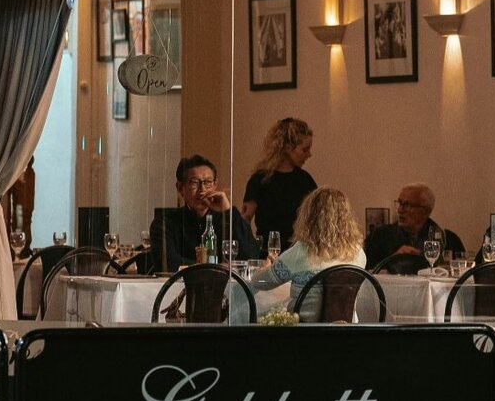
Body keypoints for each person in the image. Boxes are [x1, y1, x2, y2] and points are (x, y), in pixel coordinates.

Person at [250, 186, 366, 323]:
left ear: (309, 217)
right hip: (346, 334)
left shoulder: (301, 251)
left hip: (304, 335)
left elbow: (260, 282)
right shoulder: (358, 253)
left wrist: (266, 266)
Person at [150, 154, 260, 273]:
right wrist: (216, 268)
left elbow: (252, 258)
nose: (202, 190)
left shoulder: (227, 219)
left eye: (208, 182)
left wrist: (228, 211)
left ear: (215, 185)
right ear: (180, 188)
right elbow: (167, 264)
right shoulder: (165, 222)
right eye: (194, 183)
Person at [241, 117, 317, 254]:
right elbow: (245, 220)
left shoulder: (305, 180)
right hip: (267, 254)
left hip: (298, 254)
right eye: (305, 150)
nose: (309, 154)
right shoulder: (259, 180)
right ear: (288, 148)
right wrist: (251, 249)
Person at [363, 183, 465, 271]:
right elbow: (366, 272)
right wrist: (393, 259)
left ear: (425, 211)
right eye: (399, 203)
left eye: (407, 205)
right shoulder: (379, 236)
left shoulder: (449, 240)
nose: (400, 210)